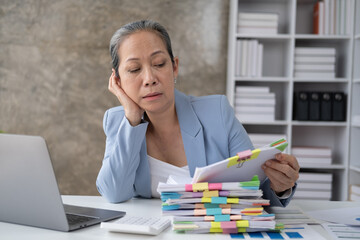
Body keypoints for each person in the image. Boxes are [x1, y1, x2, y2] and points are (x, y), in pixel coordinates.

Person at [96, 20, 299, 206]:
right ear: (117, 80)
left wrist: (279, 186)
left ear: (174, 67)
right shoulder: (118, 122)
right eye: (134, 69)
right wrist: (132, 118)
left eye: (159, 64)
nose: (149, 78)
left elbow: (254, 188)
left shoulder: (217, 112)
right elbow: (115, 194)